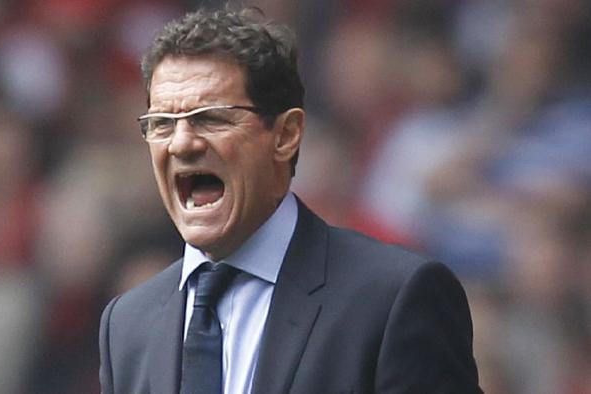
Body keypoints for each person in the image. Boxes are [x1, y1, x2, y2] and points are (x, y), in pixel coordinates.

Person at [99, 6, 482, 394]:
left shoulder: (394, 299)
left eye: (211, 118)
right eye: (162, 124)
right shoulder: (127, 325)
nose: (181, 143)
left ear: (285, 135)